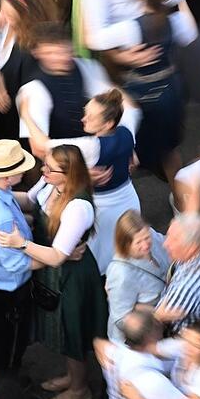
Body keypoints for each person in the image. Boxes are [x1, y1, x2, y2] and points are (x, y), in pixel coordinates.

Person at [0, 145, 107, 399]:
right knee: (64, 328)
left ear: (67, 174)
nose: (42, 170)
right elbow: (27, 201)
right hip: (54, 267)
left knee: (72, 329)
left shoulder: (77, 206)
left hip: (72, 275)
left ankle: (80, 389)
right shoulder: (49, 186)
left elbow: (58, 256)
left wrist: (19, 243)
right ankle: (72, 376)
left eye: (49, 168)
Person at [22, 88, 142, 274]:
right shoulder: (127, 127)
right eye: (86, 112)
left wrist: (25, 114)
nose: (83, 119)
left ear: (109, 123)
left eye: (91, 117)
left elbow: (40, 147)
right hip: (128, 199)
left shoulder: (90, 147)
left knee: (98, 257)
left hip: (103, 208)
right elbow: (132, 107)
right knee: (123, 251)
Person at [104, 0, 197, 184]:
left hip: (142, 94)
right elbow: (190, 34)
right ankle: (179, 194)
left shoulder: (129, 28)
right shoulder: (176, 21)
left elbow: (95, 40)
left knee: (138, 144)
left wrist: (118, 55)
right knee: (169, 150)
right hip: (171, 89)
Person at [17, 23, 134, 147]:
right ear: (37, 53)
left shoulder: (89, 67)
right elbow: (38, 148)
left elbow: (125, 105)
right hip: (61, 161)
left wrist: (125, 144)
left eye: (64, 50)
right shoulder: (33, 90)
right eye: (51, 53)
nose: (61, 57)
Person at [93, 310, 188, 399]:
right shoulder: (152, 381)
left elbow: (98, 343)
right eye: (156, 324)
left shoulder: (113, 352)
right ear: (151, 336)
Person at [0, 140, 35, 376]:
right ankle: (8, 396)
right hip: (8, 293)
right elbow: (17, 264)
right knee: (9, 351)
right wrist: (58, 257)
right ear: (7, 177)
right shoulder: (0, 216)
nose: (25, 170)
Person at [0, 0, 51, 142]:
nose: (1, 16)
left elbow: (28, 95)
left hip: (7, 132)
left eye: (9, 15)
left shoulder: (30, 49)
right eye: (1, 8)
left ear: (24, 14)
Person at [105, 210, 171, 344]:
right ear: (125, 243)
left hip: (161, 325)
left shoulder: (151, 235)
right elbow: (121, 319)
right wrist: (156, 313)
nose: (146, 245)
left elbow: (168, 245)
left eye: (147, 238)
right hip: (140, 340)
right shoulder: (121, 274)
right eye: (139, 242)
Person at [156, 212, 200, 333]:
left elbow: (158, 318)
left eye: (174, 240)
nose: (165, 244)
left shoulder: (186, 287)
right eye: (168, 236)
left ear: (192, 247)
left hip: (189, 337)